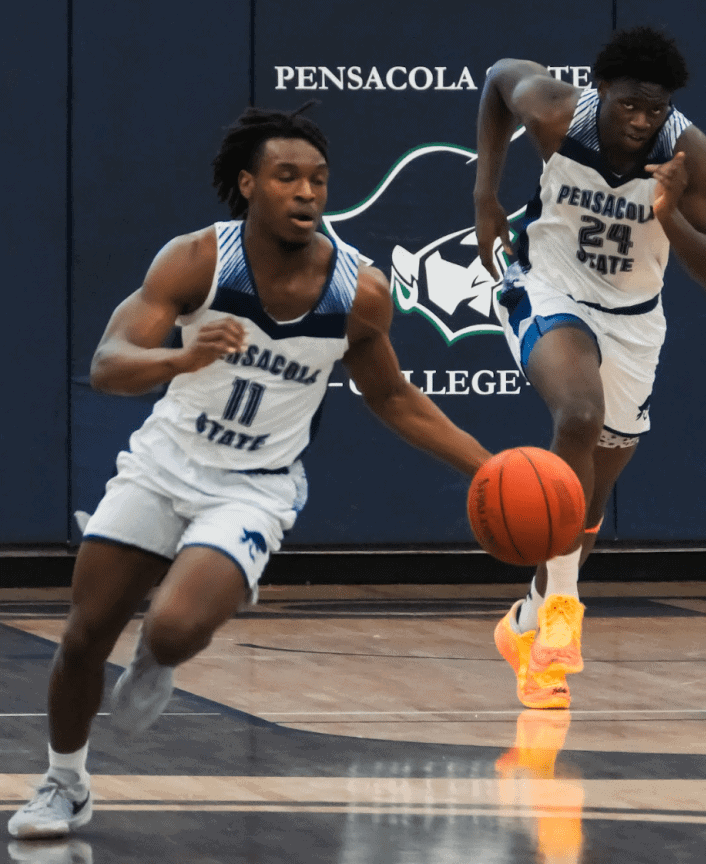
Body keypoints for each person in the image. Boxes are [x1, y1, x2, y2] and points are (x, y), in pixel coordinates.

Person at [9, 104, 493, 839]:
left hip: (254, 487)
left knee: (170, 630)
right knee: (82, 636)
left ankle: (157, 660)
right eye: (287, 177)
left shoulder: (356, 292)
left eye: (319, 181)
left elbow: (392, 395)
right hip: (163, 465)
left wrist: (491, 470)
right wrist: (180, 357)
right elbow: (108, 367)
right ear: (248, 184)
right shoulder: (198, 260)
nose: (306, 193)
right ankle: (64, 783)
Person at [474, 27, 706, 709]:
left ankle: (526, 628)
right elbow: (500, 74)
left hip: (634, 318)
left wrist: (670, 214)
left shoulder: (687, 150)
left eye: (654, 110)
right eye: (629, 107)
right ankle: (563, 613)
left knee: (584, 507)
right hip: (546, 283)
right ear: (601, 92)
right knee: (579, 415)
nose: (642, 122)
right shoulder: (556, 111)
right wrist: (485, 194)